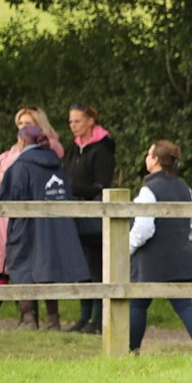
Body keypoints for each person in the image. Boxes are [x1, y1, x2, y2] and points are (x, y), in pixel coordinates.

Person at [0, 125, 90, 329]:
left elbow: (8, 199)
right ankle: (53, 319)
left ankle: (28, 319)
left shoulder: (21, 166)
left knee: (22, 268)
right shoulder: (56, 165)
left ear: (22, 142)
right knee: (49, 270)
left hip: (25, 227)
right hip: (54, 227)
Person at [128, 140, 192, 355]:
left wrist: (126, 248)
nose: (146, 157)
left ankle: (131, 350)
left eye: (149, 154)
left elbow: (143, 229)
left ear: (155, 160)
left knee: (137, 304)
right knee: (183, 304)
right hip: (180, 256)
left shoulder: (148, 191)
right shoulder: (185, 188)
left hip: (151, 261)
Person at [0, 107, 65, 323]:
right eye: (20, 124)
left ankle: (50, 317)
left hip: (34, 216)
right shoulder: (15, 151)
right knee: (16, 263)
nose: (23, 128)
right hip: (9, 217)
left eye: (28, 123)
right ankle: (27, 315)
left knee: (41, 264)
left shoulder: (47, 149)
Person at [62, 104, 116, 334]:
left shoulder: (101, 150)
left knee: (96, 267)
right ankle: (84, 317)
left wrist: (74, 188)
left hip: (93, 215)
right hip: (74, 213)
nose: (73, 126)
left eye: (77, 121)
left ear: (90, 121)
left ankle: (98, 319)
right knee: (80, 267)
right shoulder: (72, 149)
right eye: (71, 122)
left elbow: (102, 185)